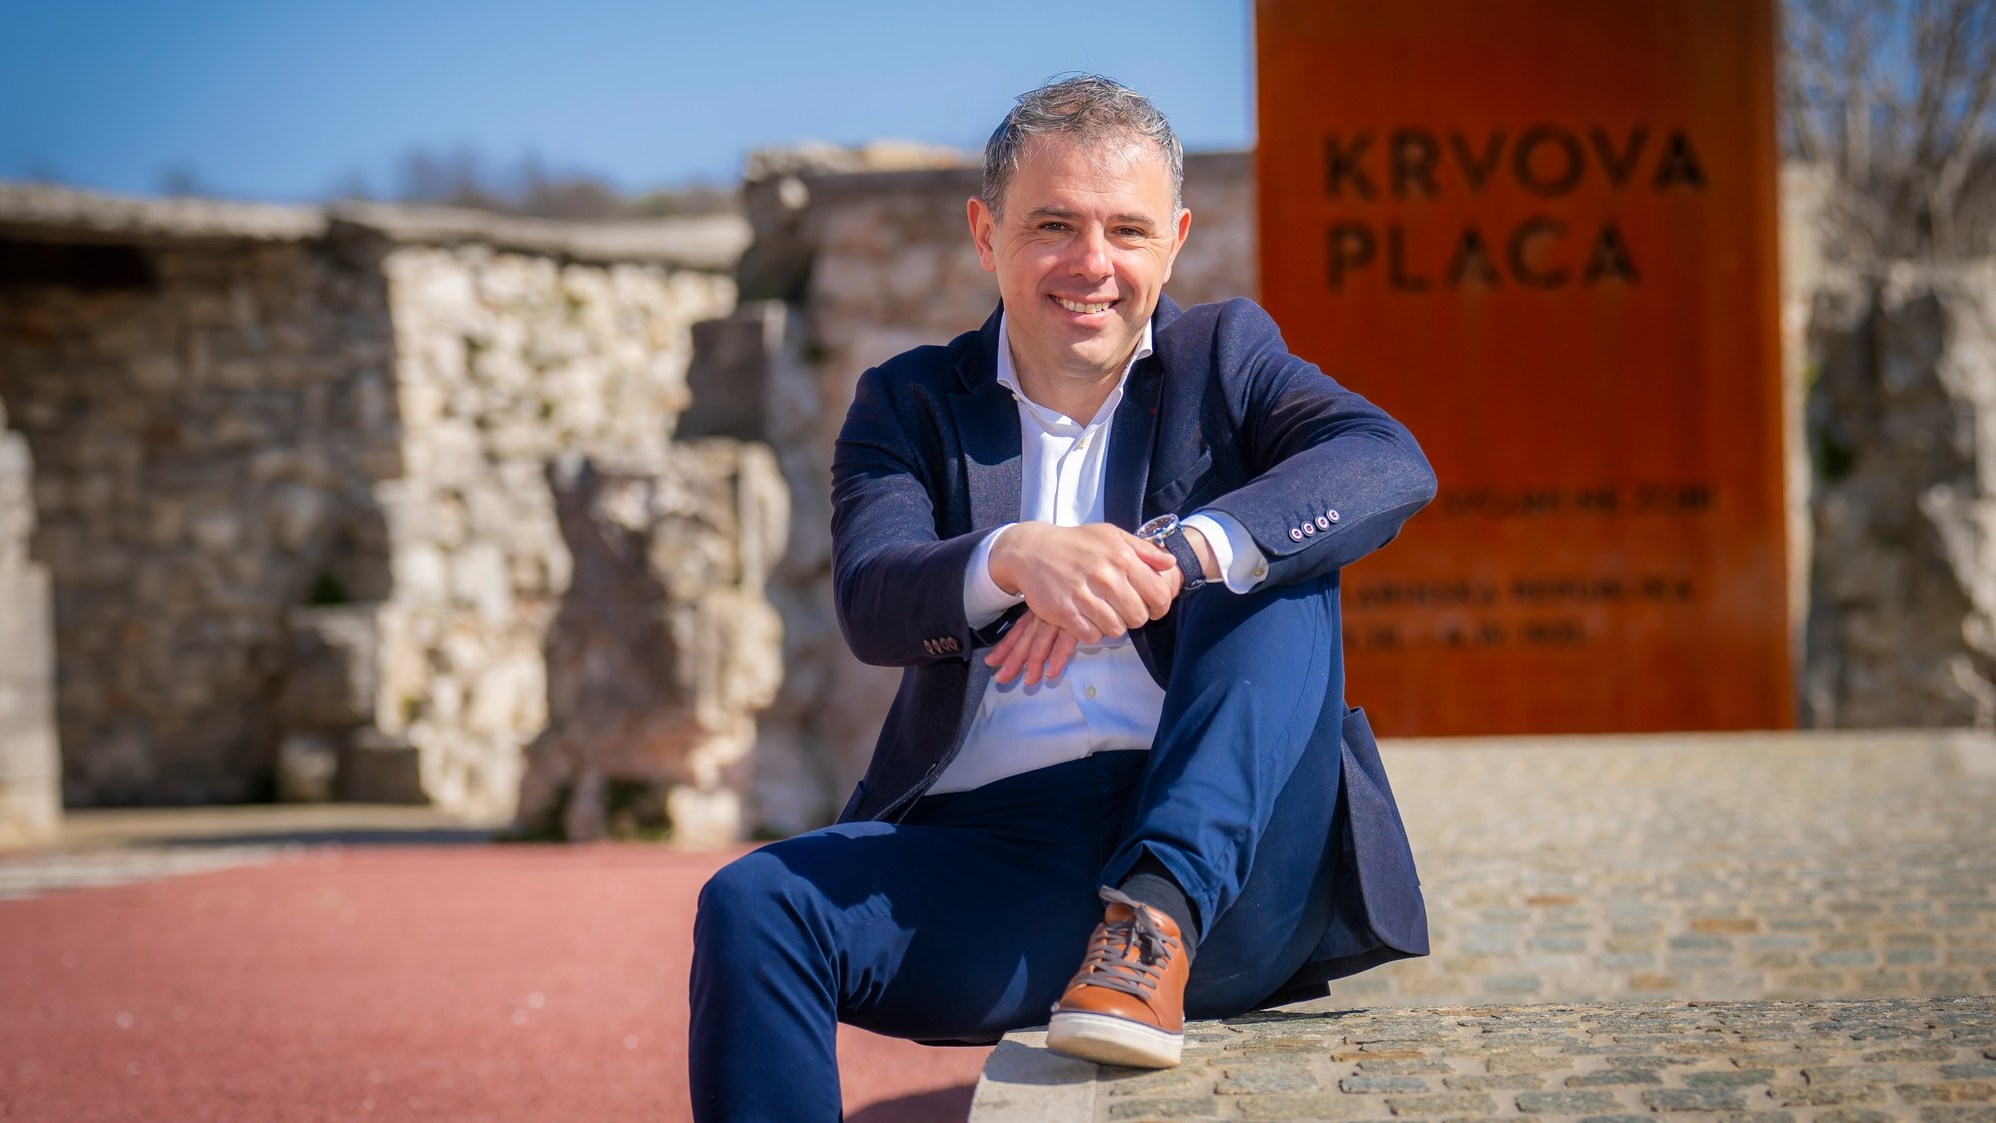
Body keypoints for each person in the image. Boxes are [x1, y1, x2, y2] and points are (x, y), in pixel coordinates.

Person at [689, 74, 1436, 1121]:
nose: (1092, 263)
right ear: (983, 232)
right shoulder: (908, 400)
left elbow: (1385, 459)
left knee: (1270, 553)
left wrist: (1171, 555)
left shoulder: (1225, 358)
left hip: (1233, 868)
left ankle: (1153, 918)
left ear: (1174, 241)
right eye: (1053, 225)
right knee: (754, 903)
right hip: (1004, 870)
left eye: (1127, 230)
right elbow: (872, 596)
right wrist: (1017, 558)